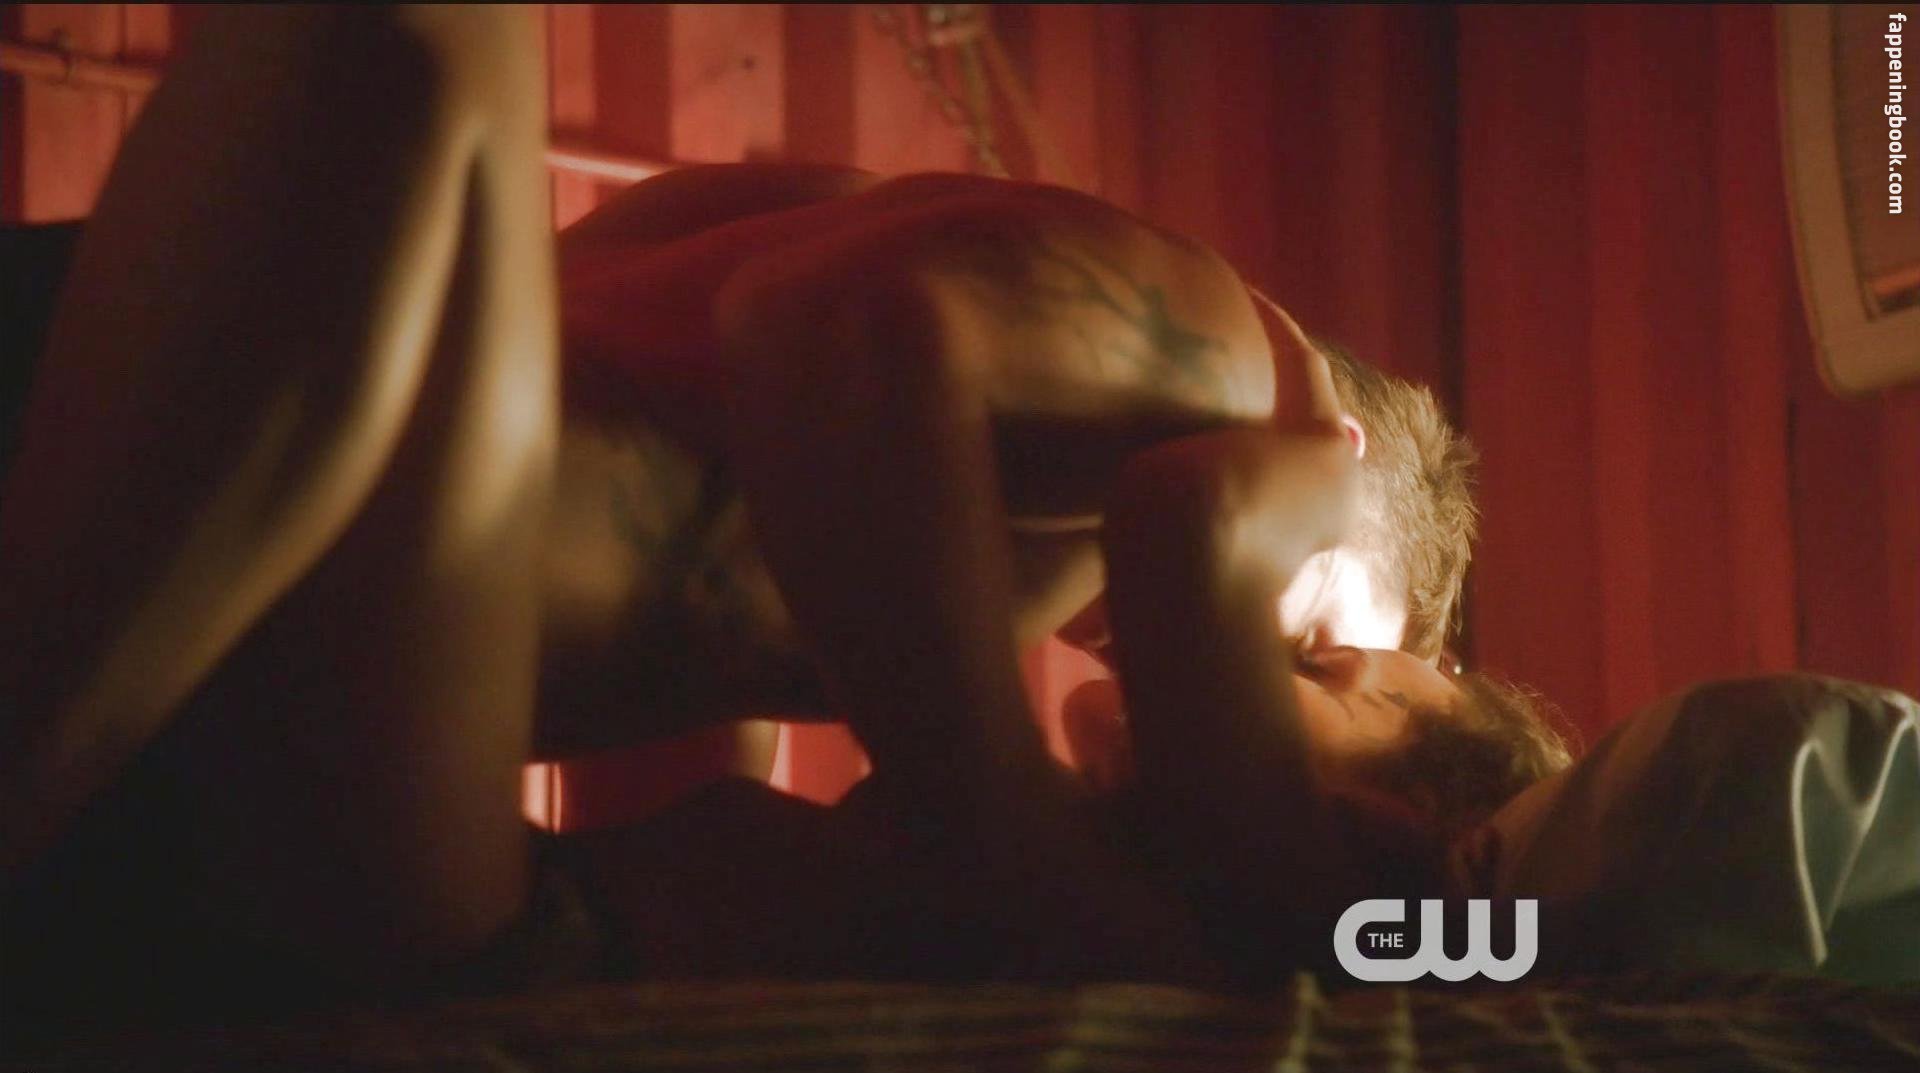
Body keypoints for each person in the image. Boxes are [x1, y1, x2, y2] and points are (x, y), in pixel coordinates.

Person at [0, 5, 1567, 1023]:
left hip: (267, 556)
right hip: (227, 485)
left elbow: (681, 569)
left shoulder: (961, 528)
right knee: (421, 38)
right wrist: (1009, 829)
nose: (1247, 675)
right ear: (1330, 494)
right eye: (1329, 639)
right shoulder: (1212, 360)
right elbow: (812, 338)